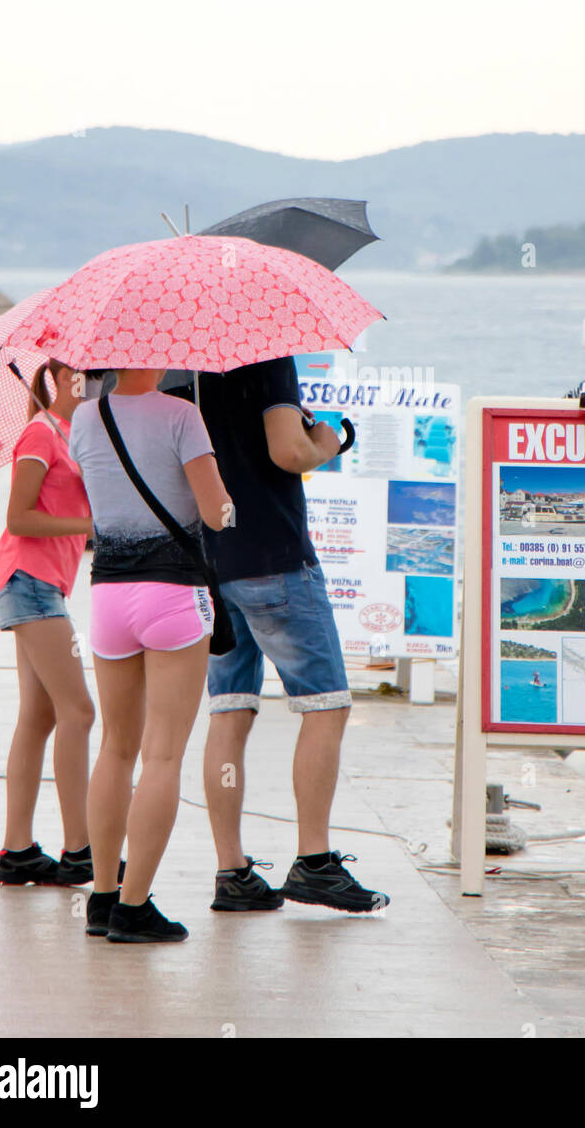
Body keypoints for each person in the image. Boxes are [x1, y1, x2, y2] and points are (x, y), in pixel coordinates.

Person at [171, 358, 390, 915]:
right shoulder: (266, 354)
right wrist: (326, 440)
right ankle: (314, 861)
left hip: (209, 561)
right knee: (326, 705)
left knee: (230, 708)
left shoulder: (179, 361)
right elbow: (286, 452)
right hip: (273, 554)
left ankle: (232, 870)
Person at [68, 368, 230, 943]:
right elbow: (216, 515)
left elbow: (97, 505)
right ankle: (135, 908)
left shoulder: (85, 418)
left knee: (114, 748)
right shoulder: (183, 416)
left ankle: (102, 898)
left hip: (108, 596)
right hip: (172, 597)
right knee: (162, 756)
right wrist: (227, 497)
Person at [0, 360, 97, 887]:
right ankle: (80, 849)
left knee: (39, 718)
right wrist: (89, 523)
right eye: (85, 372)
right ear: (60, 375)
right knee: (78, 711)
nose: (95, 380)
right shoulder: (40, 432)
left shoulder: (77, 434)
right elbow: (18, 517)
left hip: (46, 584)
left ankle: (18, 852)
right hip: (27, 582)